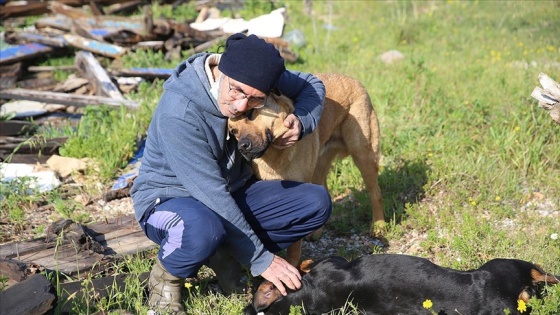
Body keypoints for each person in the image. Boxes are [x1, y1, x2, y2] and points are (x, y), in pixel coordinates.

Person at [131, 32, 332, 314]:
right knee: (202, 228)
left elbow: (312, 84)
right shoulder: (180, 111)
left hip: (231, 190)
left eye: (255, 100)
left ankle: (224, 250)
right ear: (221, 69)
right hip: (171, 199)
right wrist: (263, 260)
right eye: (236, 91)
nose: (239, 106)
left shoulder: (255, 76)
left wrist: (302, 122)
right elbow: (212, 194)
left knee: (314, 202)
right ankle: (166, 278)